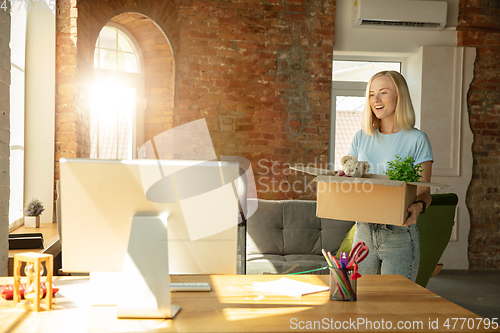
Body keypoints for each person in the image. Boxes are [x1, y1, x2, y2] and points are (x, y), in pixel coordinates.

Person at [348, 70, 433, 282]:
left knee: (396, 305)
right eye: (371, 94)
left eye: (383, 93)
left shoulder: (417, 139)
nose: (376, 100)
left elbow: (424, 192)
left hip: (399, 234)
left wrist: (418, 207)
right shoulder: (361, 137)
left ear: (399, 96)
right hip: (363, 231)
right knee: (359, 300)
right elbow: (349, 178)